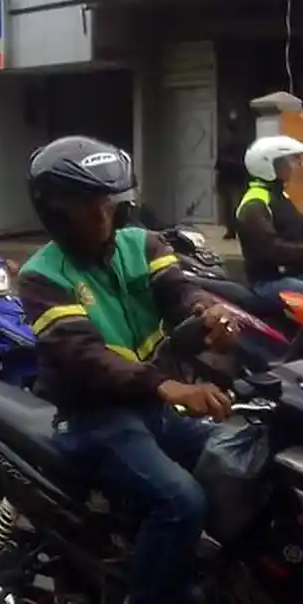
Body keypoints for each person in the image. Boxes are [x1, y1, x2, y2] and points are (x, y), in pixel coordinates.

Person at [18, 135, 236, 604]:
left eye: (107, 205)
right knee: (181, 501)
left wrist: (209, 314)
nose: (101, 219)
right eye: (85, 209)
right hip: (94, 420)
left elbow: (179, 293)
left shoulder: (143, 244)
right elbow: (89, 358)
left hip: (152, 411)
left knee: (241, 463)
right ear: (57, 214)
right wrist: (170, 386)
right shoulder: (42, 276)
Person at [234, 134, 303, 298]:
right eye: (288, 161)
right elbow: (270, 249)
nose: (294, 166)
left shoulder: (277, 196)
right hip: (268, 283)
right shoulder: (255, 203)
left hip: (290, 275)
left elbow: (295, 229)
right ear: (269, 165)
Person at [215, 113, 247, 239]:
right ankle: (232, 230)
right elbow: (219, 163)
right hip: (228, 179)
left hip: (234, 179)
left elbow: (241, 162)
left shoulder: (238, 144)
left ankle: (234, 230)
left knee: (233, 206)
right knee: (229, 207)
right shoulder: (226, 143)